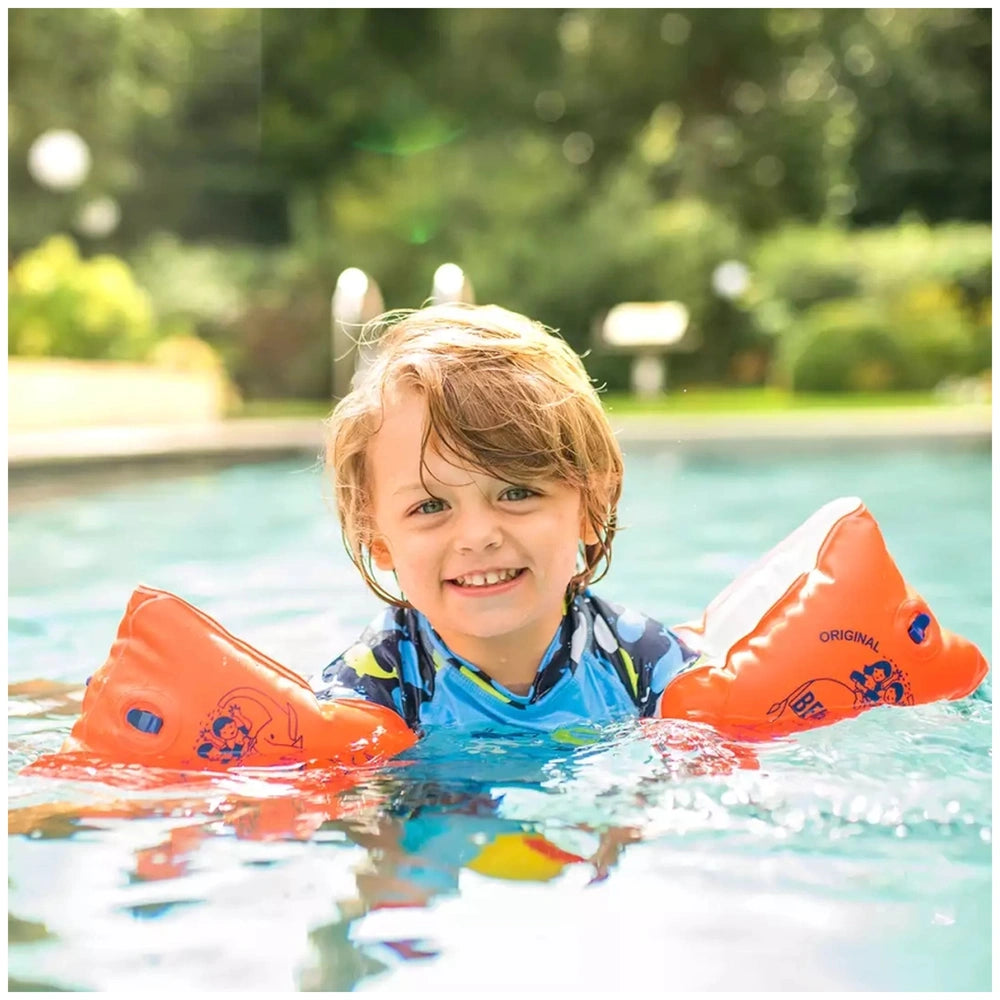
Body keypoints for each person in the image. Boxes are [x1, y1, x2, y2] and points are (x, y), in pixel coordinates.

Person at [311, 303, 698, 734]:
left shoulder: (644, 664)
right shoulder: (369, 693)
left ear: (592, 505)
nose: (478, 536)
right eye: (431, 506)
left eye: (517, 493)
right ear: (377, 538)